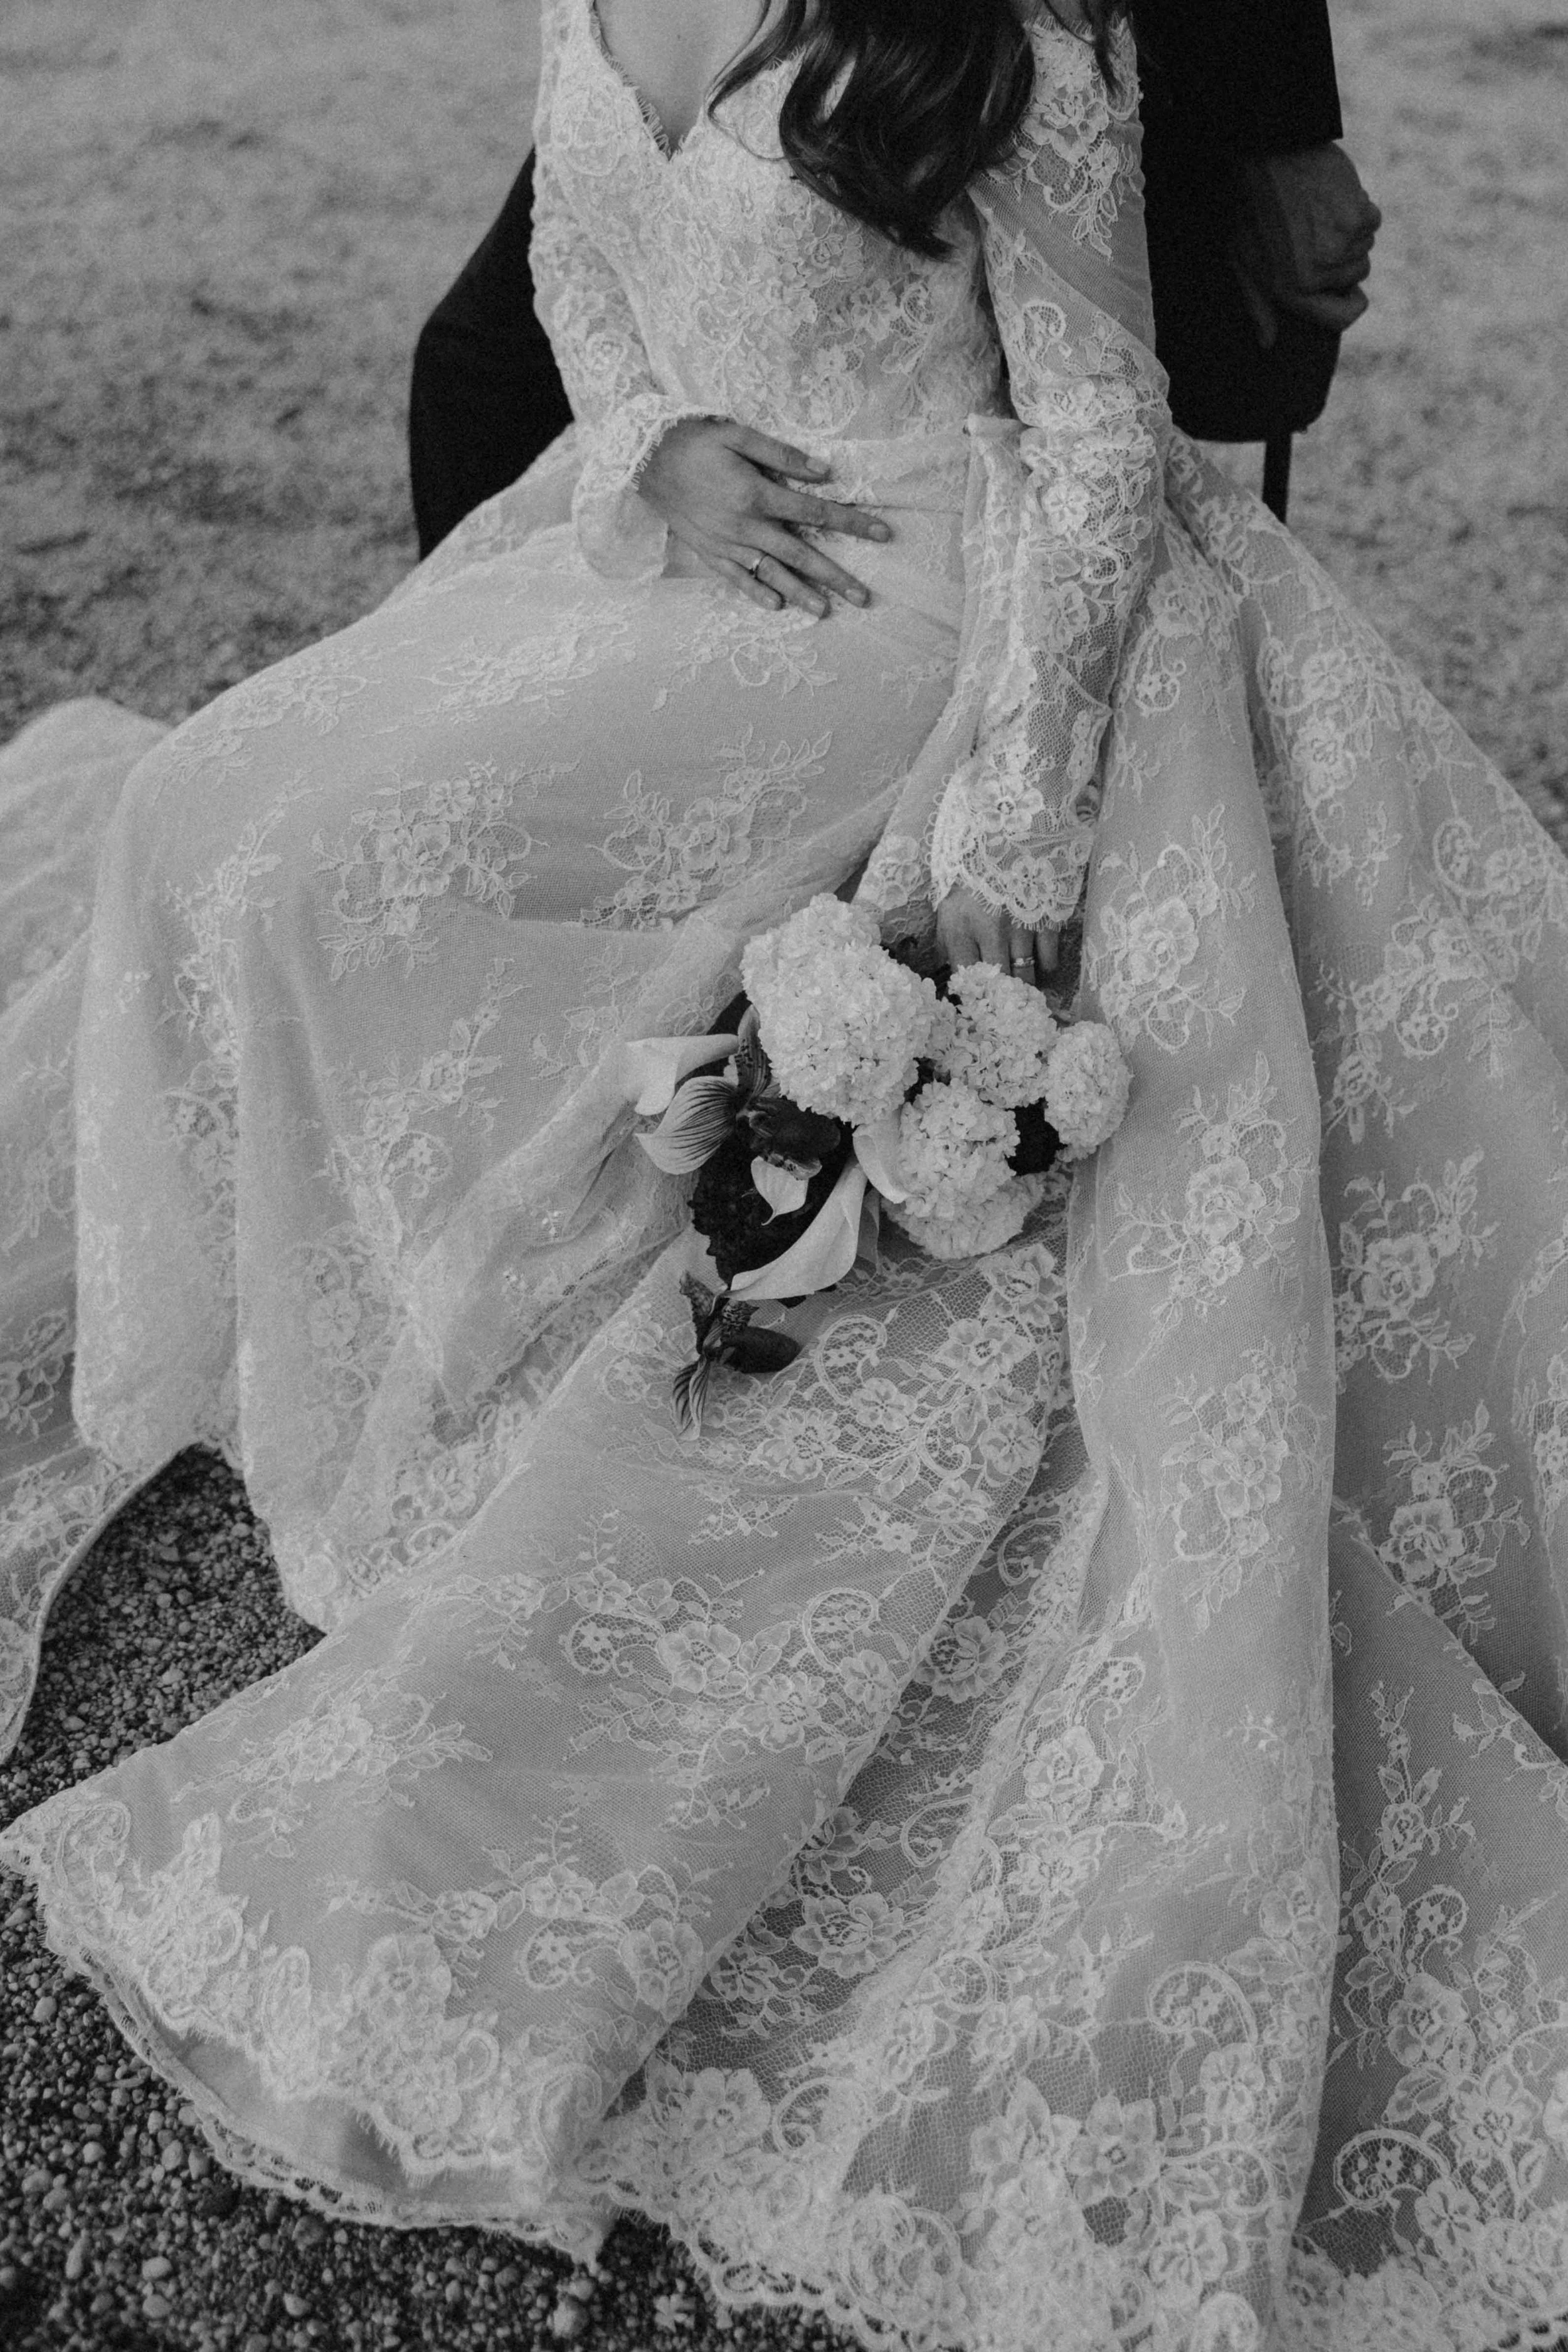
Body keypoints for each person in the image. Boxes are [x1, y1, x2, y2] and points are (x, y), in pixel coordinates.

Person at [3, 4, 1568, 2344]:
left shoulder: (1007, 42)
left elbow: (1102, 438)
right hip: (675, 547)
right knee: (202, 809)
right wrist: (650, 444)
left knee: (347, 853)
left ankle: (501, 1344)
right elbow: (577, 278)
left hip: (927, 606)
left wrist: (1018, 821)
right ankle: (397, 1354)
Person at [408, 0, 1381, 559]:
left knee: (1147, 384)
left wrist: (1280, 130)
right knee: (476, 371)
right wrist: (638, 440)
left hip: (976, 52)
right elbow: (569, 244)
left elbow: (1100, 425)